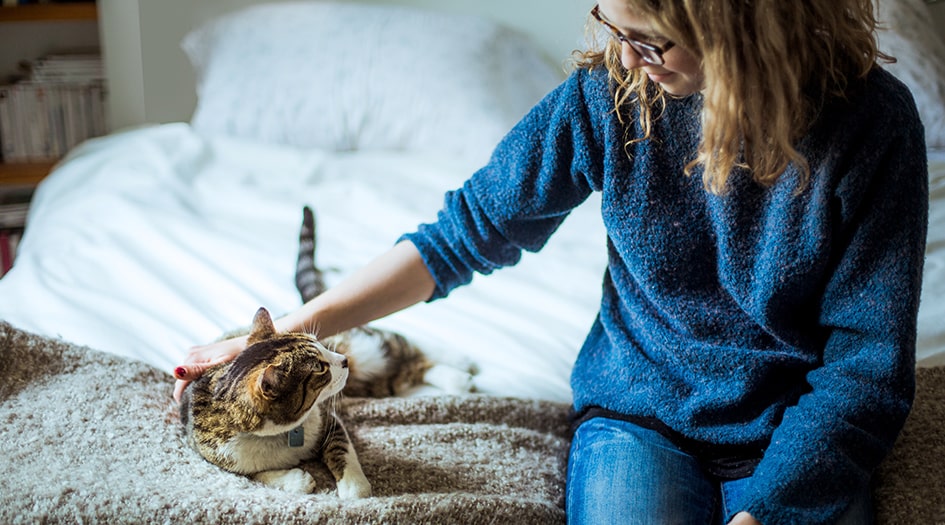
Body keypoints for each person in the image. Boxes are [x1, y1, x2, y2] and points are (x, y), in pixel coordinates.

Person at [173, 0, 929, 522]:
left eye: (651, 38)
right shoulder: (610, 94)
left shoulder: (872, 127)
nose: (625, 54)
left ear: (745, 28)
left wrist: (766, 511)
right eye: (613, 23)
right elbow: (463, 231)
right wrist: (285, 330)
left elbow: (863, 370)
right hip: (641, 418)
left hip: (796, 426)